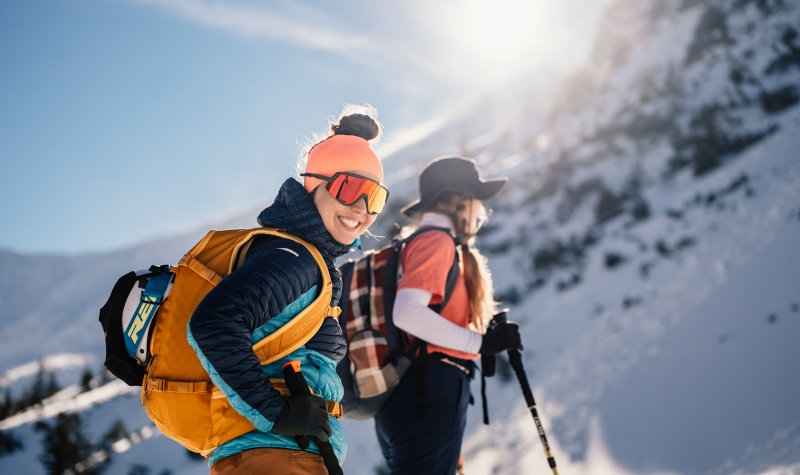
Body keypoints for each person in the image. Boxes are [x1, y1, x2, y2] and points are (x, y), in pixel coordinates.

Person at [187, 104, 389, 474]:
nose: (361, 208)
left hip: (281, 454)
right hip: (276, 456)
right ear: (314, 184)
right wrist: (277, 414)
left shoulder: (305, 258)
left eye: (373, 197)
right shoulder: (294, 257)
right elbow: (213, 323)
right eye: (349, 188)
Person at [375, 156, 522, 475]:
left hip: (413, 393)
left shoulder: (420, 243)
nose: (481, 212)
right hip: (429, 389)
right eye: (477, 203)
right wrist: (480, 343)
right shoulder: (436, 242)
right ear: (458, 201)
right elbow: (408, 312)